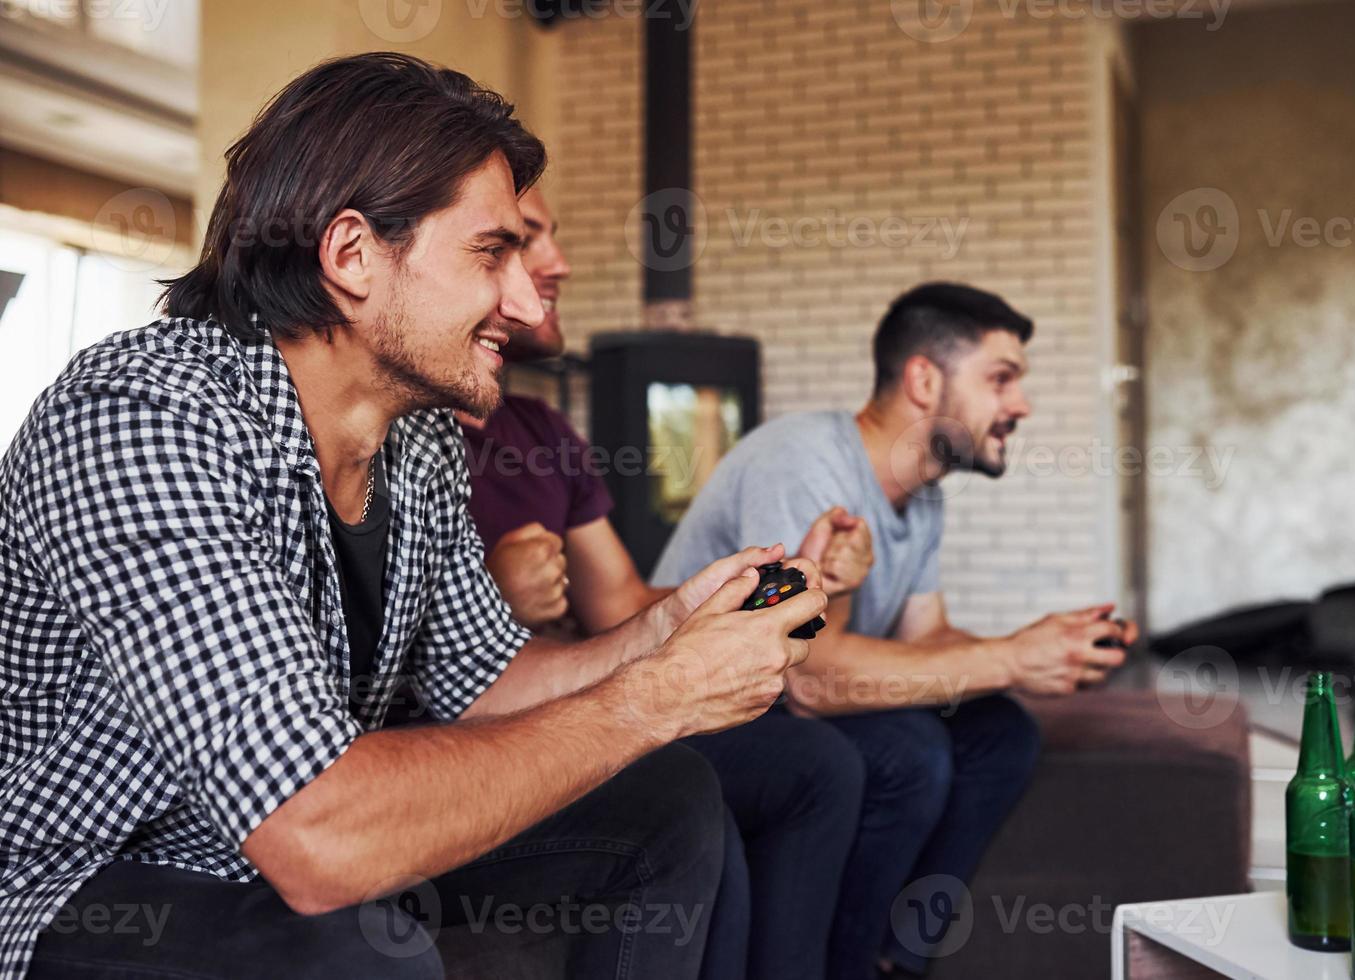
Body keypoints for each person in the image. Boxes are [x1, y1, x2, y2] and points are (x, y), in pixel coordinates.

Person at [0, 53, 826, 979]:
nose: (524, 301)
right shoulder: (139, 417)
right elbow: (318, 838)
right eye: (491, 252)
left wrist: (666, 633)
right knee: (359, 955)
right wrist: (663, 695)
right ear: (351, 254)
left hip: (288, 838)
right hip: (92, 879)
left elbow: (487, 680)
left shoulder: (418, 438)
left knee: (667, 796)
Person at [652, 282, 1139, 980]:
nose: (1021, 405)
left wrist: (1044, 648)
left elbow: (925, 636)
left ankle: (894, 958)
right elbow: (809, 676)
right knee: (906, 751)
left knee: (1001, 732)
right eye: (1002, 379)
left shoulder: (923, 496)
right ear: (923, 379)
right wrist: (1010, 658)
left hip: (791, 693)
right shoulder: (806, 461)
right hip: (718, 709)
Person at [457, 185, 873, 980]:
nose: (557, 266)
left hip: (566, 690)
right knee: (688, 798)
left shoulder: (543, 431)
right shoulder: (401, 435)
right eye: (518, 240)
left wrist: (782, 589)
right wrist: (496, 595)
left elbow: (618, 604)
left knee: (819, 764)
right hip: (503, 736)